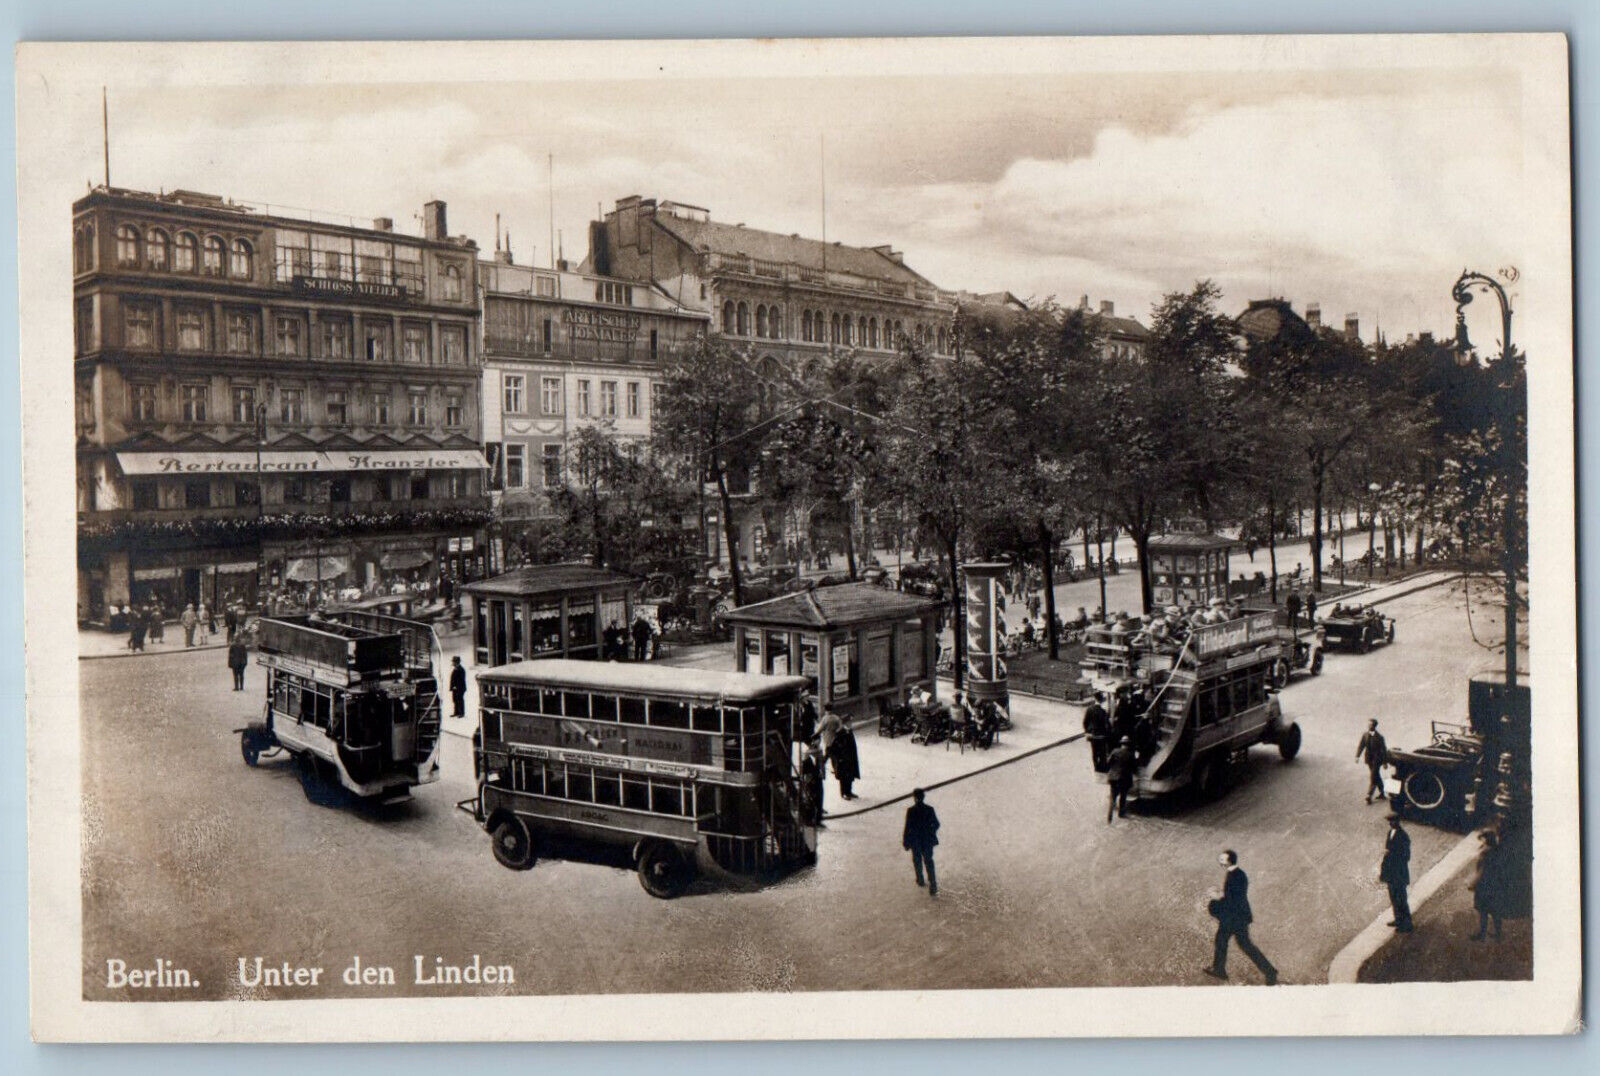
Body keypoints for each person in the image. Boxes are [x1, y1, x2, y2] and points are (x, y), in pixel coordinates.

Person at [1203, 850, 1279, 984]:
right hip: (1236, 916)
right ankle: (1269, 971)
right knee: (1234, 942)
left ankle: (1220, 969)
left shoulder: (1237, 875)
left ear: (1229, 861)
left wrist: (1218, 897)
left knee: (1232, 942)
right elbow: (1233, 896)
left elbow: (1235, 898)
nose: (1220, 862)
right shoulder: (1235, 874)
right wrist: (1221, 895)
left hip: (1236, 917)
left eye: (1222, 860)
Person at [1469, 829, 1507, 941]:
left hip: (1484, 885)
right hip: (1495, 884)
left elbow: (1481, 871)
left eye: (1482, 838)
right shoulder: (1497, 850)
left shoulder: (1485, 853)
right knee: (1495, 911)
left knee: (1483, 911)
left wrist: (1473, 883)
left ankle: (1482, 934)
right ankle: (1498, 934)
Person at [902, 787, 940, 896]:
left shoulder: (911, 811)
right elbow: (936, 824)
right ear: (923, 797)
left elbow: (907, 827)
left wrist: (906, 841)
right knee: (929, 861)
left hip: (916, 841)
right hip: (927, 840)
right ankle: (933, 884)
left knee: (917, 860)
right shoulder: (929, 809)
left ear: (914, 798)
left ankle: (920, 879)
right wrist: (930, 831)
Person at [1379, 813, 1413, 932]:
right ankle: (1398, 919)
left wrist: (1393, 855)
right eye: (1390, 821)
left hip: (1399, 873)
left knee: (1401, 899)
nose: (1391, 823)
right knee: (1394, 897)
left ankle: (1406, 924)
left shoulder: (1403, 836)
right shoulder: (1390, 833)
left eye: (1393, 821)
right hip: (1391, 873)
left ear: (1398, 821)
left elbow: (1406, 856)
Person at [1356, 719, 1389, 804]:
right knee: (1376, 776)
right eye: (1368, 724)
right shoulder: (1365, 735)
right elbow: (1361, 746)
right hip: (1369, 760)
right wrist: (1357, 756)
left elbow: (1384, 750)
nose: (1368, 726)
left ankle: (1369, 796)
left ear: (1374, 726)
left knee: (1373, 777)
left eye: (1370, 725)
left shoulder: (1380, 737)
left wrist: (1385, 762)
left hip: (1377, 760)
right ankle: (1382, 793)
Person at [827, 717, 861, 800]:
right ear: (845, 723)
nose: (851, 724)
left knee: (850, 776)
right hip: (843, 760)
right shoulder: (840, 733)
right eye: (849, 722)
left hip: (850, 758)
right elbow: (833, 748)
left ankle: (849, 791)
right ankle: (844, 793)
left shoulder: (849, 731)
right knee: (844, 777)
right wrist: (838, 758)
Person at [1106, 736, 1135, 822]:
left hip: (1113, 778)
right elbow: (1134, 767)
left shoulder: (1115, 751)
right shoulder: (1130, 754)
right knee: (1123, 796)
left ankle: (1110, 814)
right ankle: (1121, 813)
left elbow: (1108, 762)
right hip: (1124, 779)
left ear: (1121, 744)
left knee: (1113, 795)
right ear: (1128, 745)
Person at [1083, 692, 1112, 770]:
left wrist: (1087, 731)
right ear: (1101, 700)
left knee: (1094, 751)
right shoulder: (1103, 711)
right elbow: (1107, 725)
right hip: (1101, 736)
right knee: (1102, 752)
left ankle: (1096, 766)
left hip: (1093, 735)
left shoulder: (1089, 709)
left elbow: (1085, 722)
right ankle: (1102, 767)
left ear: (1095, 699)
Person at [800, 744, 826, 827]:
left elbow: (821, 768)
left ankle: (818, 820)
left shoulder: (818, 759)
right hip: (811, 783)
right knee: (811, 802)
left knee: (819, 801)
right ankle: (811, 820)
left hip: (818, 781)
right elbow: (805, 774)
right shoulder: (806, 761)